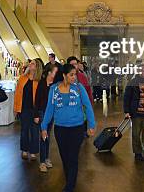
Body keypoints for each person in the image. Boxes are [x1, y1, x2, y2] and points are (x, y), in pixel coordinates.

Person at [41, 64, 95, 192]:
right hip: (60, 129)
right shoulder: (54, 89)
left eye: (75, 74)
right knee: (64, 158)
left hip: (76, 128)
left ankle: (70, 186)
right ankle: (69, 181)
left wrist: (91, 125)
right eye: (71, 74)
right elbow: (49, 109)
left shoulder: (79, 88)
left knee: (73, 157)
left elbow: (88, 106)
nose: (74, 77)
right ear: (64, 75)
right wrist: (44, 127)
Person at [14, 58, 42, 161]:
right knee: (24, 130)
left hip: (35, 110)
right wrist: (16, 108)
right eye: (30, 63)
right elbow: (17, 94)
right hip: (24, 108)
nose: (30, 65)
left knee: (34, 131)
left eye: (33, 64)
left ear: (37, 67)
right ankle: (24, 150)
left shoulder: (39, 80)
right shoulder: (22, 78)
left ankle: (34, 151)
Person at [35, 63, 58, 173]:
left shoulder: (55, 85)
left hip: (51, 113)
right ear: (49, 72)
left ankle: (46, 158)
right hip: (43, 112)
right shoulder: (42, 84)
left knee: (47, 136)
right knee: (43, 136)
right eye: (55, 71)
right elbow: (37, 99)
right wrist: (36, 114)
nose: (56, 74)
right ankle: (42, 162)